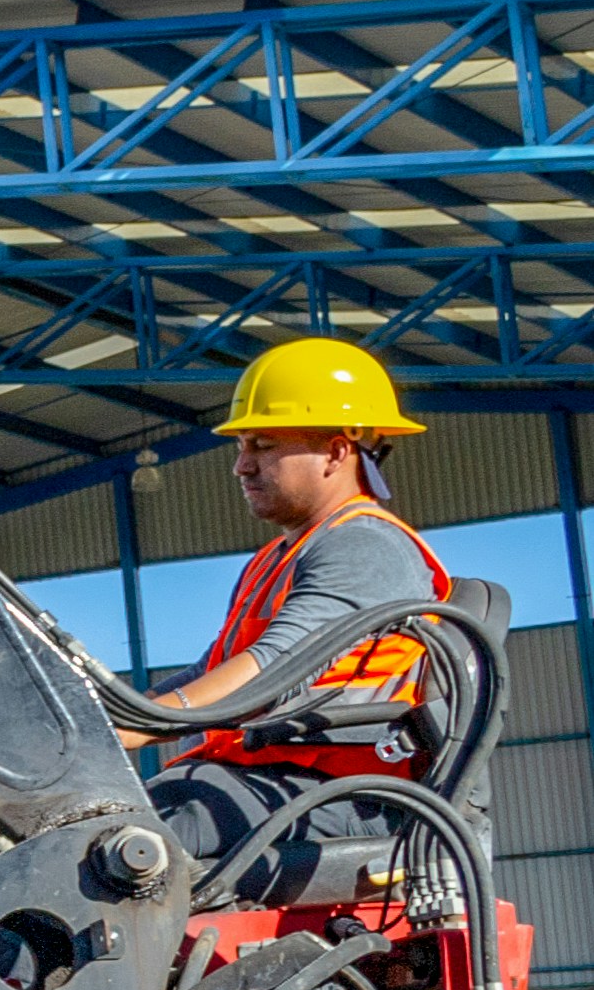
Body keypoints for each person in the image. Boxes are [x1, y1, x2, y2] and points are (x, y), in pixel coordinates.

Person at [130, 337, 447, 904]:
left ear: (334, 451)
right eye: (242, 444)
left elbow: (276, 670)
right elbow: (212, 672)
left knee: (115, 852)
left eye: (263, 444)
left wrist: (137, 727)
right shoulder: (278, 558)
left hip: (337, 794)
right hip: (270, 781)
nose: (240, 464)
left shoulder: (365, 547)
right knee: (95, 823)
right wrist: (104, 715)